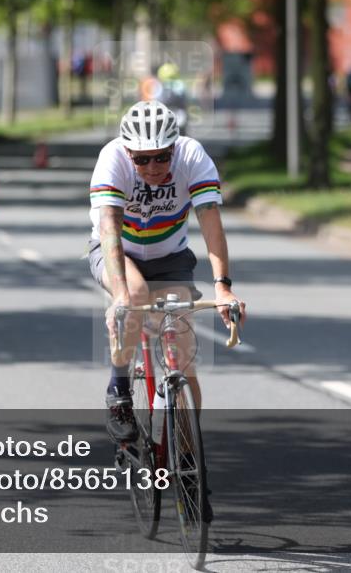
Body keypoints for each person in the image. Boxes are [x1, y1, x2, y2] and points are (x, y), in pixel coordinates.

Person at [87, 100, 246, 518]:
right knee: (135, 300)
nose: (154, 167)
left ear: (175, 148)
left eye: (162, 157)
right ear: (128, 153)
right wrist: (120, 295)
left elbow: (211, 221)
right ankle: (119, 389)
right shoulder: (112, 160)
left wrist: (223, 288)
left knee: (184, 352)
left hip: (170, 254)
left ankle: (192, 466)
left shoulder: (192, 156)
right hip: (117, 252)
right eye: (143, 159)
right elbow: (108, 230)